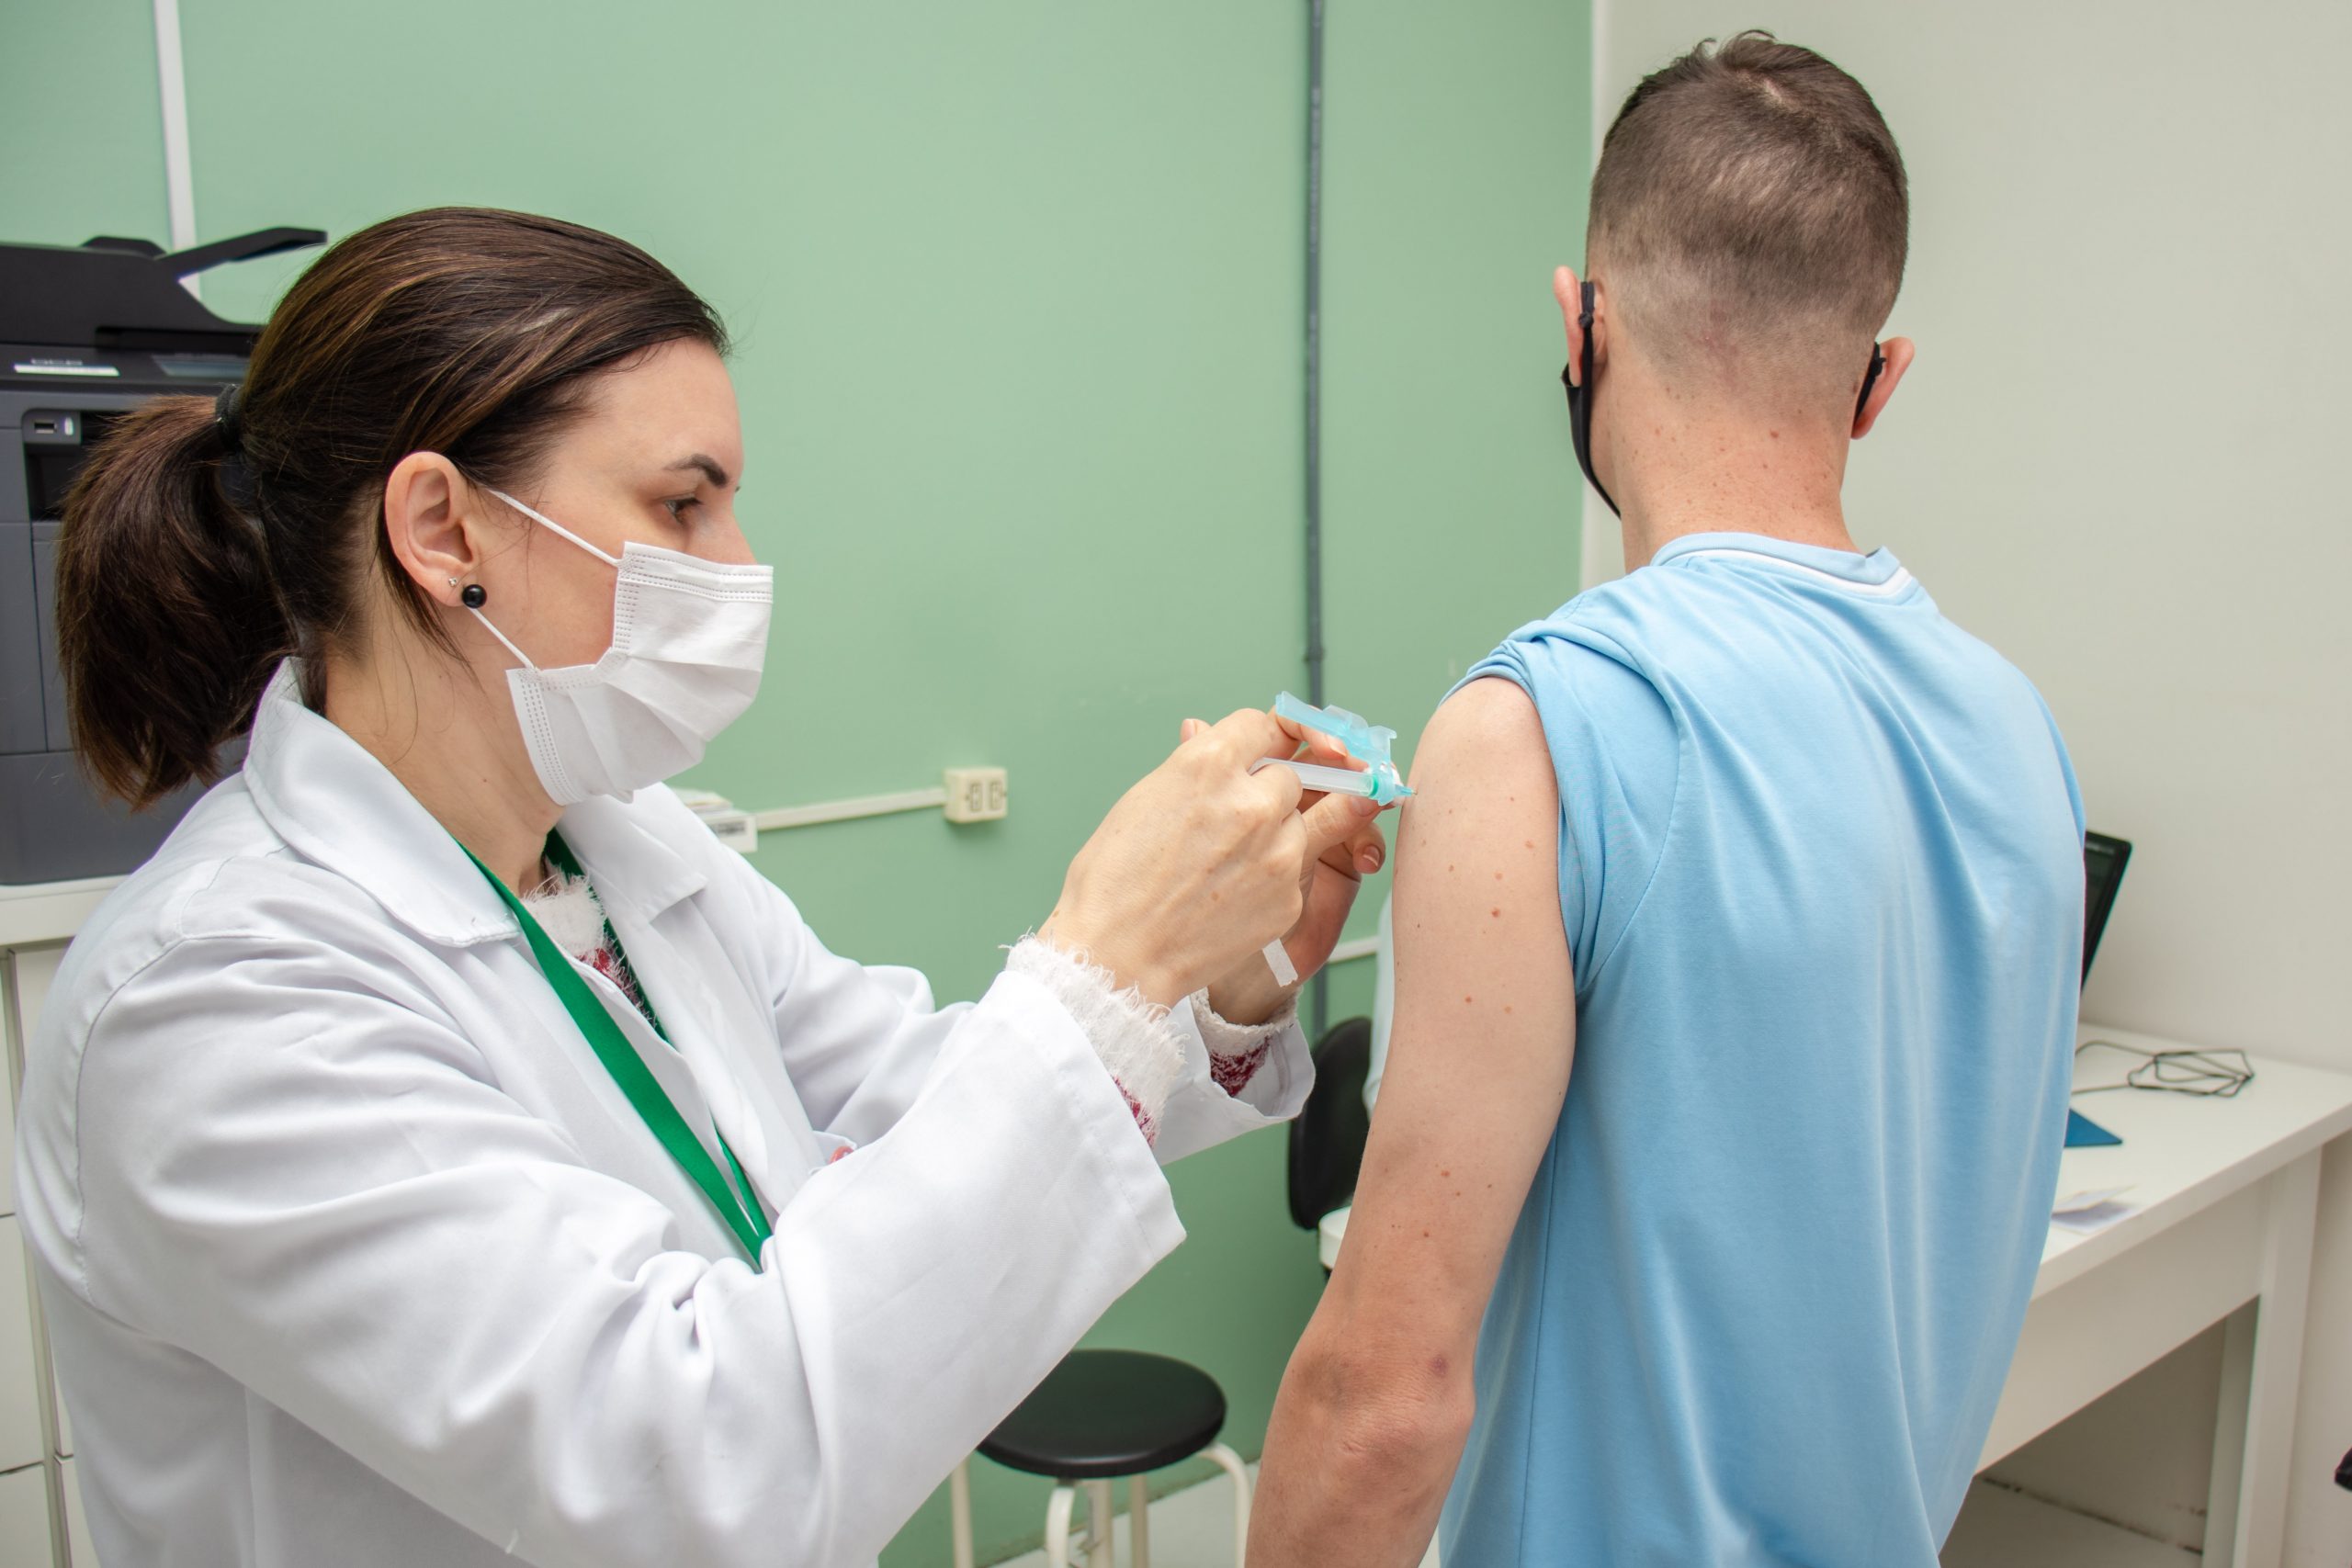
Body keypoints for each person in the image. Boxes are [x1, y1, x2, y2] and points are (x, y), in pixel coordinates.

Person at [13, 207, 1389, 1568]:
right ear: (443, 530)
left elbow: (909, 1099)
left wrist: (1208, 986)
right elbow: (687, 1466)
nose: (738, 566)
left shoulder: (621, 848)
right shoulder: (218, 998)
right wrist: (1106, 958)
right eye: (683, 504)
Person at [1251, 34, 2085, 1567]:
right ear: (1880, 382)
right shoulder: (2020, 729)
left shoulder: (1540, 729)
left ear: (1584, 326)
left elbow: (1384, 1399)